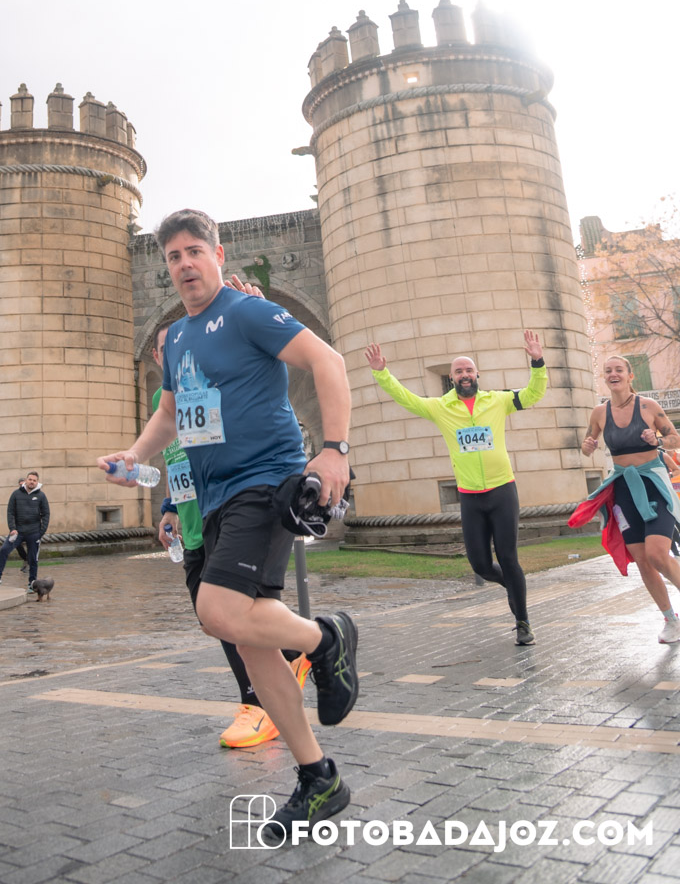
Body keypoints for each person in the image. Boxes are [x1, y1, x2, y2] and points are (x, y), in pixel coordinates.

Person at [98, 209, 358, 843]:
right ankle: (318, 777)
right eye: (173, 256)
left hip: (263, 483)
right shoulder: (177, 339)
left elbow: (328, 361)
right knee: (247, 640)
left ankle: (327, 638)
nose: (184, 264)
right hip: (214, 498)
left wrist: (334, 450)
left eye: (195, 251)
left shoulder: (245, 313)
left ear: (217, 255)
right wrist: (134, 456)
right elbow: (170, 414)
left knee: (216, 610)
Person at [152, 301, 311, 750]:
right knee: (217, 620)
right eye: (165, 349)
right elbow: (183, 459)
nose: (176, 353)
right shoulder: (164, 404)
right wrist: (170, 507)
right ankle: (295, 656)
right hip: (193, 523)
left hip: (228, 511)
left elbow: (230, 438)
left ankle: (257, 704)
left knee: (228, 616)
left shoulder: (211, 378)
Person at [364, 331, 547, 646]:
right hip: (471, 497)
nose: (465, 375)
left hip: (502, 491)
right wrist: (383, 373)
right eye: (459, 371)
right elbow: (407, 399)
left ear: (477, 375)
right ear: (452, 378)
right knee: (480, 564)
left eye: (469, 370)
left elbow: (533, 393)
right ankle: (513, 585)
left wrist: (537, 361)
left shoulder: (498, 400)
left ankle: (522, 622)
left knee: (508, 557)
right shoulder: (441, 408)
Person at [576, 355, 680, 642]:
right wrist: (587, 446)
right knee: (643, 560)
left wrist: (658, 441)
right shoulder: (599, 412)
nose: (613, 374)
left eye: (619, 369)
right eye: (608, 370)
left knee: (658, 554)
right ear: (605, 377)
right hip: (623, 489)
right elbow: (586, 445)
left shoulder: (648, 406)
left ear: (630, 376)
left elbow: (675, 438)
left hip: (653, 485)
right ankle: (671, 621)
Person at [0, 472, 50, 589]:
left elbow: (46, 514)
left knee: (33, 559)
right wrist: (12, 528)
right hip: (18, 532)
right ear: (26, 480)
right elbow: (10, 512)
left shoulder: (41, 496)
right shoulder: (16, 494)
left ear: (37, 482)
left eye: (34, 480)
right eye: (30, 479)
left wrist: (41, 532)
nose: (32, 482)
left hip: (34, 533)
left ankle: (32, 583)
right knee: (4, 550)